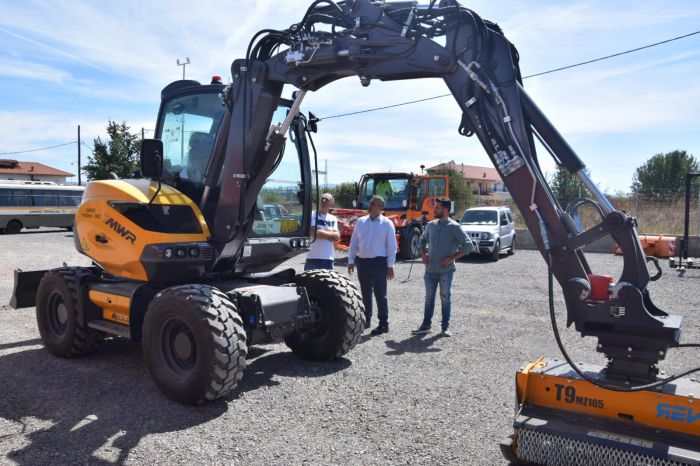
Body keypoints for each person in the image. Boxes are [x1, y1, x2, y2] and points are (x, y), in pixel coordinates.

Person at [413, 197, 473, 337]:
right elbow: (422, 240)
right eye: (435, 207)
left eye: (438, 208)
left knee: (445, 298)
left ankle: (445, 328)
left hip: (446, 272)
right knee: (429, 298)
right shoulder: (431, 225)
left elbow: (468, 246)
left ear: (446, 210)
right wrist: (423, 254)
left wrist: (452, 258)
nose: (434, 209)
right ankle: (426, 326)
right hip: (430, 271)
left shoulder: (454, 227)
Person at [348, 195, 397, 336]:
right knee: (365, 293)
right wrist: (351, 261)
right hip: (362, 262)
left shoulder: (387, 224)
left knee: (380, 294)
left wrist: (390, 265)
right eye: (370, 203)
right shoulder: (361, 222)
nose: (370, 205)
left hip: (379, 263)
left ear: (381, 208)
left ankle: (383, 324)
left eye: (373, 203)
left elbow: (391, 246)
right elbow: (354, 243)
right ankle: (366, 320)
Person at [305, 193, 339, 270]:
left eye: (326, 199)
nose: (323, 200)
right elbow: (314, 233)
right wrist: (330, 233)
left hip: (328, 260)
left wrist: (320, 230)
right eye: (322, 198)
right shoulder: (311, 215)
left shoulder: (333, 218)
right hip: (312, 259)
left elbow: (337, 237)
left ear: (331, 203)